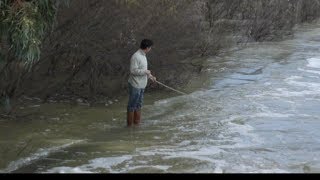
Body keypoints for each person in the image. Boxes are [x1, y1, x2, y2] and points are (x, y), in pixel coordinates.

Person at [127, 39, 156, 127]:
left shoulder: (143, 55)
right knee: (132, 106)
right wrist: (145, 72)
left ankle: (137, 124)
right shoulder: (136, 56)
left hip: (142, 85)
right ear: (147, 48)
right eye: (150, 47)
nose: (150, 49)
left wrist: (151, 77)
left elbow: (144, 70)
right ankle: (129, 126)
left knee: (139, 105)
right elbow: (133, 71)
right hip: (135, 85)